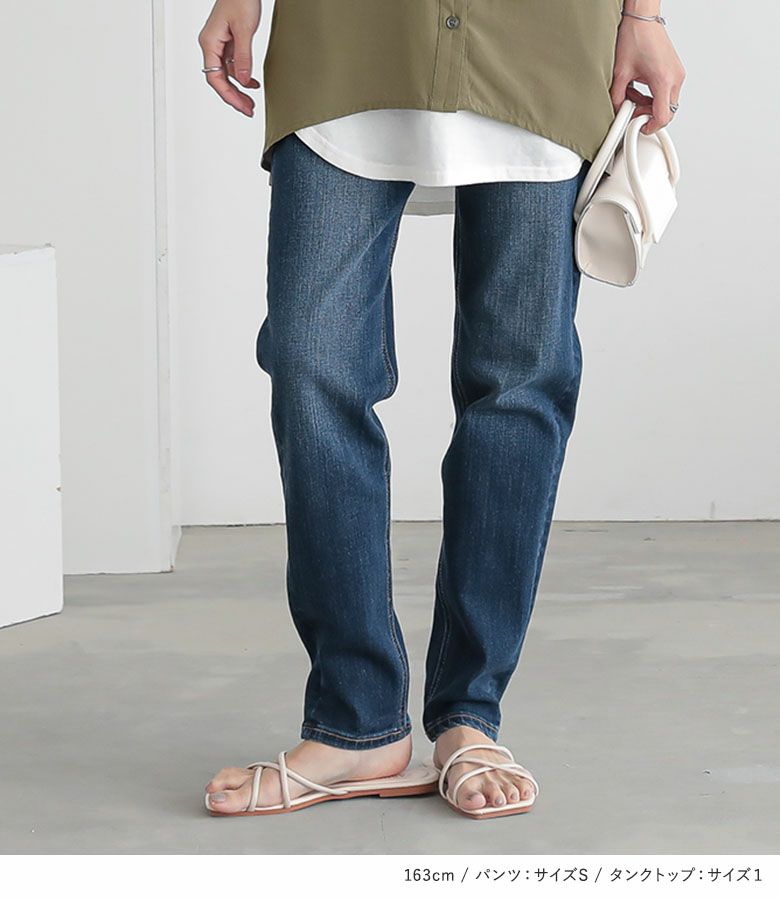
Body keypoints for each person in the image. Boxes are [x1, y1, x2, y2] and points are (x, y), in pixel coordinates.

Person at [199, 0, 685, 819]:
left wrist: (645, 15)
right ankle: (357, 724)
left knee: (519, 383)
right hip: (347, 33)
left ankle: (470, 715)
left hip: (547, 39)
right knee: (310, 361)